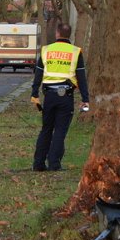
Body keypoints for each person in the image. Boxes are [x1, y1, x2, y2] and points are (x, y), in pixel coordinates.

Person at [30, 23, 89, 171]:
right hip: (66, 96)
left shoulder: (46, 50)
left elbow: (38, 73)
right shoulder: (75, 52)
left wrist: (34, 93)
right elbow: (81, 77)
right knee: (60, 130)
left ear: (57, 33)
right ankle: (54, 164)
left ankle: (38, 164)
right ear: (69, 34)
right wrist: (85, 98)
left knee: (46, 129)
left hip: (49, 96)